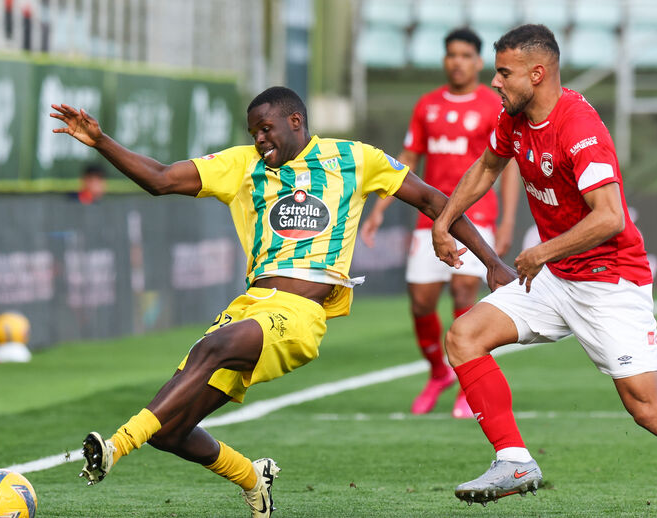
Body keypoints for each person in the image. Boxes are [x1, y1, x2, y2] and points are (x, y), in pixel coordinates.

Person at [49, 86, 513, 518]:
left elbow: (434, 200)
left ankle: (115, 446)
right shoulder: (242, 165)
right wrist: (100, 140)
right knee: (171, 431)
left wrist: (491, 261)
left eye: (266, 129)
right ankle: (253, 477)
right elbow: (161, 179)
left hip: (300, 314)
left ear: (296, 121)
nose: (259, 141)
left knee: (209, 351)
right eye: (253, 132)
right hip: (250, 304)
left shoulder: (354, 158)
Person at [431, 25, 657, 517]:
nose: (495, 81)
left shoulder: (578, 126)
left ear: (537, 72)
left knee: (649, 409)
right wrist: (444, 221)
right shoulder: (514, 118)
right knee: (464, 337)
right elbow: (487, 167)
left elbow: (610, 216)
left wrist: (543, 251)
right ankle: (514, 460)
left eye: (504, 72)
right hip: (555, 278)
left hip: (610, 282)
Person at [361, 27, 520, 419]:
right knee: (420, 301)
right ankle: (438, 373)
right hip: (430, 217)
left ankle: (466, 381)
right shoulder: (427, 105)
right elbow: (406, 160)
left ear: (479, 62)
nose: (457, 61)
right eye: (451, 54)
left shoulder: (492, 105)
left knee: (465, 292)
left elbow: (508, 165)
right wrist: (379, 209)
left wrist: (506, 222)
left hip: (476, 214)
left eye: (466, 55)